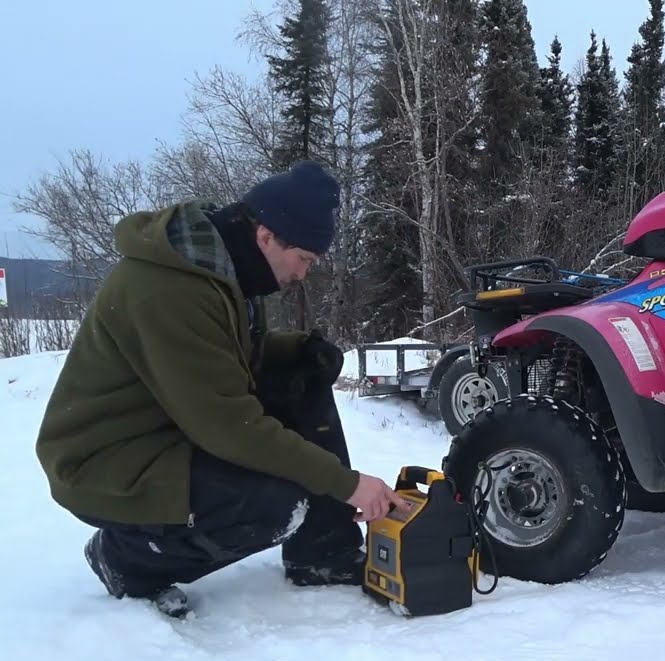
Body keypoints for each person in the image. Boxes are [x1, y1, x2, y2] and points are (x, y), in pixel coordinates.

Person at [35, 160, 410, 618]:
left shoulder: (224, 270)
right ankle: (125, 560)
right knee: (272, 505)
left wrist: (296, 352)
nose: (303, 274)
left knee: (300, 377)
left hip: (169, 428)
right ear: (267, 235)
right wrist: (346, 484)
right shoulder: (172, 288)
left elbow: (224, 359)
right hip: (108, 459)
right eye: (305, 259)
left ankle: (323, 552)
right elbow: (230, 425)